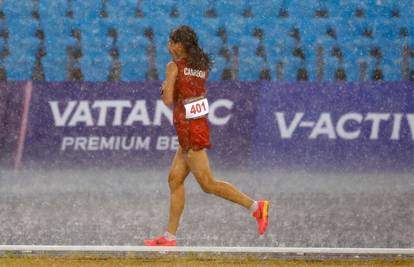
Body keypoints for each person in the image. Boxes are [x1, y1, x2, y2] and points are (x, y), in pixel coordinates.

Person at [144, 25, 269, 246]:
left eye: (171, 42)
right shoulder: (199, 66)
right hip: (196, 125)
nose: (168, 46)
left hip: (189, 130)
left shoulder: (173, 66)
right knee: (174, 179)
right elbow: (196, 96)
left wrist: (164, 87)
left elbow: (167, 100)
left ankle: (256, 207)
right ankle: (169, 238)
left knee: (208, 184)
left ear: (180, 45)